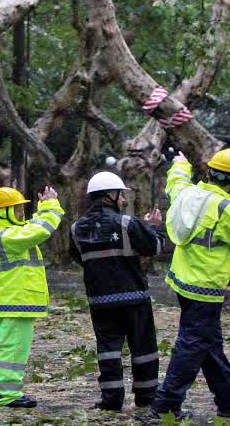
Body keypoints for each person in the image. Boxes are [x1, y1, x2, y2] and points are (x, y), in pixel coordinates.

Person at [151, 149, 230, 420]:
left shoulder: (187, 193)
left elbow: (175, 182)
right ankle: (165, 405)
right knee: (192, 345)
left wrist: (180, 164)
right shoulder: (227, 208)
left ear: (209, 172)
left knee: (208, 344)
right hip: (205, 286)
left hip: (183, 280)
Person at [69, 171, 165, 412]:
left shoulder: (76, 229)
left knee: (108, 351)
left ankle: (111, 400)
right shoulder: (127, 223)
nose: (123, 200)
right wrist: (154, 228)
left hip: (100, 300)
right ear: (111, 195)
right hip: (134, 298)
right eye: (121, 195)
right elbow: (153, 247)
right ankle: (147, 398)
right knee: (143, 350)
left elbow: (81, 259)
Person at [0, 186, 65, 408]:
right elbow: (38, 231)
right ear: (3, 212)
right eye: (17, 209)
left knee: (2, 348)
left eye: (22, 208)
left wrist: (40, 210)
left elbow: (30, 227)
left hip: (10, 300)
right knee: (13, 349)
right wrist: (51, 207)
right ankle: (7, 395)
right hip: (16, 301)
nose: (21, 213)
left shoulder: (4, 232)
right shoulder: (6, 235)